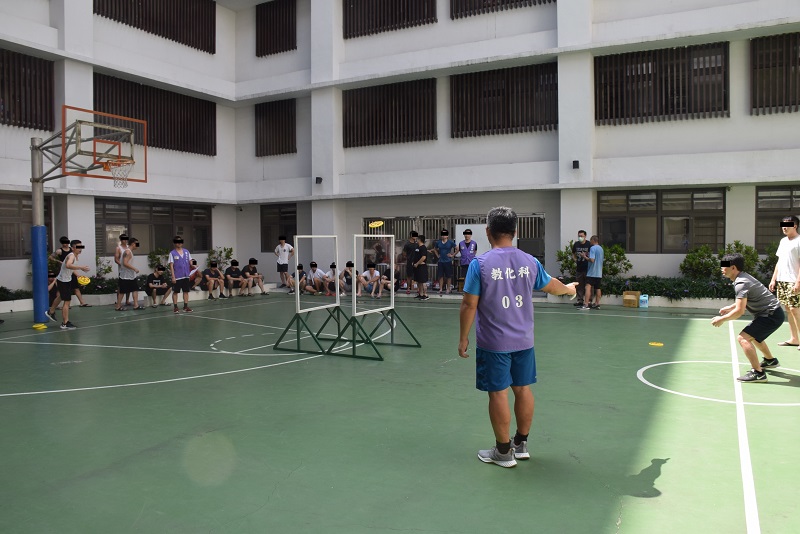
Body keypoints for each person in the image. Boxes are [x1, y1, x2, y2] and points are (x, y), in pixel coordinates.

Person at [458, 206, 578, 468]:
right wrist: (569, 289)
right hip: (524, 340)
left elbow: (469, 305)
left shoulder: (480, 264)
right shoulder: (529, 261)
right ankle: (521, 444)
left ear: (488, 232)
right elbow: (551, 285)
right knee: (523, 389)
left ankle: (503, 452)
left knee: (498, 393)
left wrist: (463, 337)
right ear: (515, 231)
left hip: (494, 343)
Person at [712, 253, 784, 382]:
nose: (722, 269)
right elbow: (744, 301)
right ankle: (770, 360)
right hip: (772, 313)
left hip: (771, 315)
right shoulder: (743, 278)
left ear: (733, 267)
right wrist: (731, 307)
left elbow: (739, 311)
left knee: (743, 338)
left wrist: (721, 319)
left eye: (724, 266)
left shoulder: (741, 283)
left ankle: (758, 373)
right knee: (754, 336)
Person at [768, 216, 800, 348]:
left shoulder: (799, 241)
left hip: (794, 280)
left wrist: (798, 282)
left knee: (795, 309)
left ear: (795, 226)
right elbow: (779, 261)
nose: (784, 227)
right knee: (788, 309)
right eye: (783, 225)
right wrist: (773, 279)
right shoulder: (783, 241)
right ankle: (794, 339)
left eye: (787, 225)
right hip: (782, 280)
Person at [48, 239, 91, 330]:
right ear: (72, 248)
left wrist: (78, 276)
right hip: (63, 280)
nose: (80, 249)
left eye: (81, 247)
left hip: (65, 279)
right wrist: (81, 267)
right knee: (67, 301)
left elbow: (71, 268)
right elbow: (68, 265)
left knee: (61, 297)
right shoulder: (71, 256)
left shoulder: (75, 256)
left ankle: (51, 311)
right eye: (78, 247)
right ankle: (65, 323)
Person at [50, 236, 90, 308]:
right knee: (62, 294)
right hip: (63, 275)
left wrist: (78, 275)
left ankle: (82, 302)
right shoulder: (60, 251)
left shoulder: (74, 252)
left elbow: (71, 267)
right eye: (64, 242)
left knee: (75, 287)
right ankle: (59, 308)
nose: (66, 244)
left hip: (70, 273)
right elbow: (51, 258)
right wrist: (59, 261)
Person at [115, 237, 142, 310]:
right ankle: (118, 306)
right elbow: (125, 263)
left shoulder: (129, 251)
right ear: (133, 244)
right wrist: (134, 268)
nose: (137, 246)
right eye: (136, 244)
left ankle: (136, 305)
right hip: (125, 276)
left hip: (131, 276)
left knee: (135, 289)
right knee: (122, 291)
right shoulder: (127, 252)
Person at [168, 236, 193, 313]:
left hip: (186, 275)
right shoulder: (172, 253)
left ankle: (185, 307)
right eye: (177, 242)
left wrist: (194, 265)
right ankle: (175, 307)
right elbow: (171, 266)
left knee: (186, 291)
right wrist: (173, 277)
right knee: (176, 292)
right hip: (177, 276)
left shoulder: (186, 251)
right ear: (174, 243)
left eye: (180, 242)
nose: (179, 243)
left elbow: (191, 261)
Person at [579, 235, 604, 310]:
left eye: (590, 240)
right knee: (598, 288)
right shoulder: (601, 249)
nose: (590, 242)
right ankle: (597, 303)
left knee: (588, 287)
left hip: (592, 272)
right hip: (599, 272)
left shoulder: (593, 248)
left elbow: (592, 260)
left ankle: (586, 304)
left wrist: (584, 257)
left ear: (593, 240)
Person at [434, 229, 457, 295]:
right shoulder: (438, 242)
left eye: (445, 235)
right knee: (440, 276)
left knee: (448, 276)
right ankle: (441, 288)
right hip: (440, 261)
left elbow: (458, 248)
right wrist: (437, 255)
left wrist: (452, 255)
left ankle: (448, 288)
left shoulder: (450, 242)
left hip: (448, 261)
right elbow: (435, 249)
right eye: (442, 235)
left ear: (447, 236)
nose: (443, 236)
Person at [572, 230, 591, 307]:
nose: (580, 237)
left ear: (585, 236)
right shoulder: (576, 244)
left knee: (588, 285)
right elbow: (573, 253)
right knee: (579, 284)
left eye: (581, 236)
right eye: (579, 236)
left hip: (587, 268)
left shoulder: (589, 244)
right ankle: (580, 300)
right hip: (579, 267)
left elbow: (592, 255)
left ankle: (589, 300)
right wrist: (575, 260)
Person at [114, 233, 131, 307]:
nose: (125, 240)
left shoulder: (128, 247)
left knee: (129, 284)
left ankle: (127, 300)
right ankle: (119, 302)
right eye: (124, 239)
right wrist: (122, 265)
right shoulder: (118, 248)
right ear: (121, 240)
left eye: (126, 239)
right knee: (121, 286)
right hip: (122, 270)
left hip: (129, 269)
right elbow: (116, 259)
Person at [412, 235, 429, 300]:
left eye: (417, 239)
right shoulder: (417, 247)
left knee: (423, 281)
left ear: (420, 240)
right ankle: (421, 294)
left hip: (422, 266)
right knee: (418, 281)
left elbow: (423, 257)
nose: (416, 240)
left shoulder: (423, 248)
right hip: (417, 267)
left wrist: (417, 263)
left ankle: (425, 295)